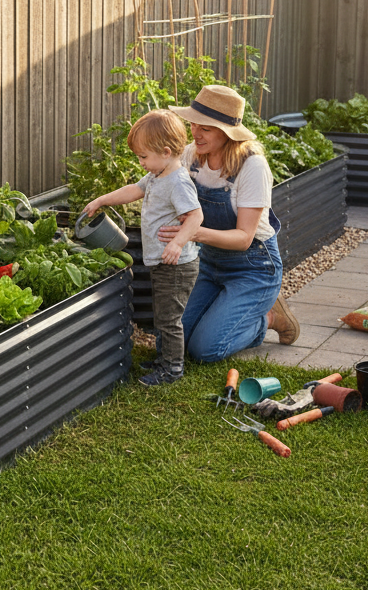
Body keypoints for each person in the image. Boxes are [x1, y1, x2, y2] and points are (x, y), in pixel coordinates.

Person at [158, 84, 300, 363]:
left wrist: (192, 232)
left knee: (205, 350)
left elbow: (244, 238)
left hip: (254, 267)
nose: (195, 132)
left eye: (206, 128)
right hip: (211, 264)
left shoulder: (252, 167)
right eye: (194, 123)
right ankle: (228, 310)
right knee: (172, 340)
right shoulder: (191, 156)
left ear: (227, 132)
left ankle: (269, 318)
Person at [81, 109, 203, 386]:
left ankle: (172, 369)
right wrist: (102, 200)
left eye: (143, 157)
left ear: (166, 151)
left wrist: (177, 242)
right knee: (163, 315)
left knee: (169, 319)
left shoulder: (178, 182)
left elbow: (196, 216)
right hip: (163, 262)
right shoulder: (157, 176)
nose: (141, 163)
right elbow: (132, 191)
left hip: (176, 263)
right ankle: (164, 359)